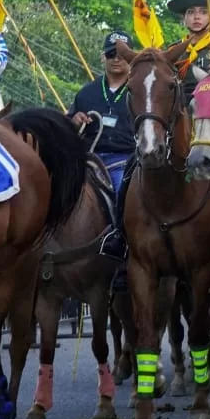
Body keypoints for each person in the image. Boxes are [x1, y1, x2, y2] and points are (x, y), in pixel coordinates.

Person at [70, 31, 136, 259]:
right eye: (110, 54)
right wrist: (74, 120)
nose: (116, 59)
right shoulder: (87, 92)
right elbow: (69, 122)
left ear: (131, 59)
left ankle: (122, 245)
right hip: (89, 159)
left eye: (121, 55)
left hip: (123, 161)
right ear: (102, 57)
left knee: (122, 194)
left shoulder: (138, 90)